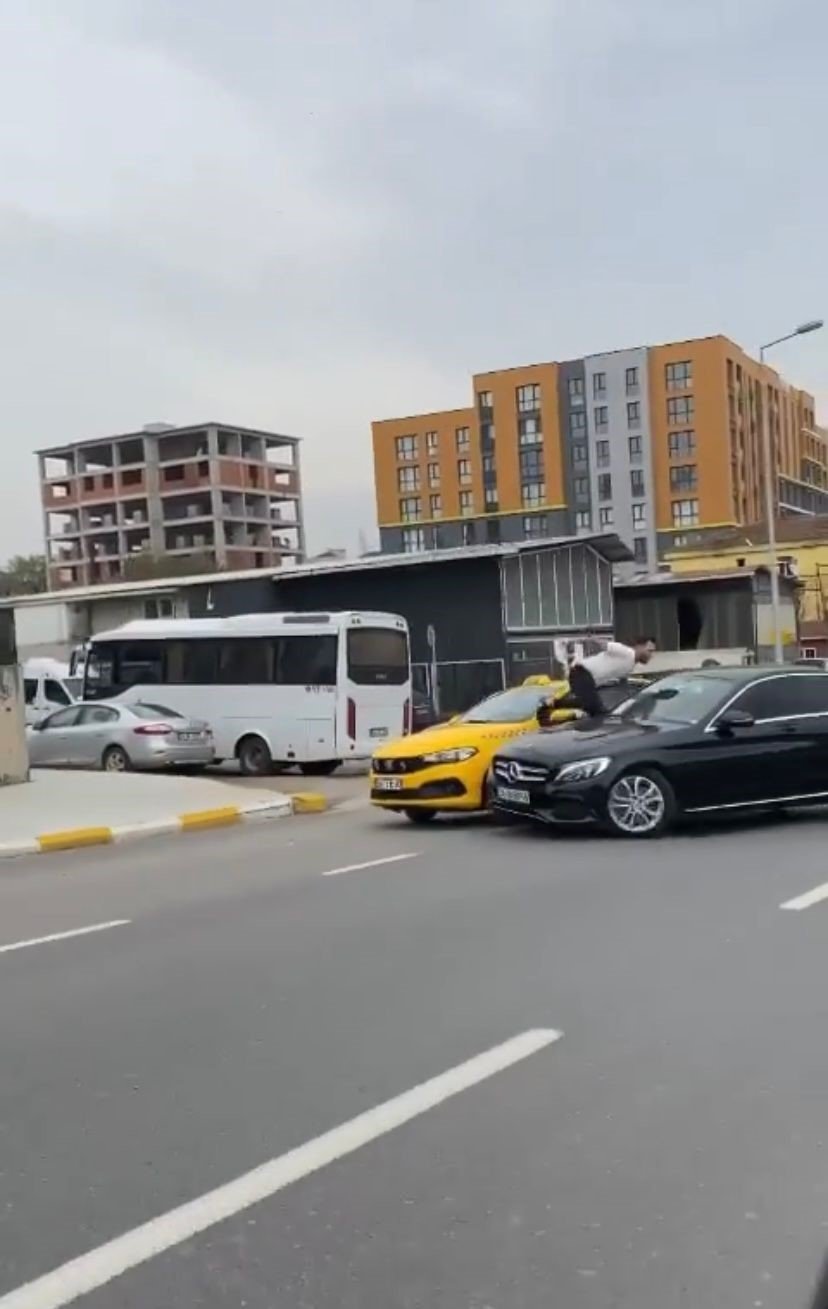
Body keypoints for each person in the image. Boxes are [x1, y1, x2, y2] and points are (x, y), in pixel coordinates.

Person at [568, 636, 656, 718]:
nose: (651, 655)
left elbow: (623, 685)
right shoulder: (626, 652)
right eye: (649, 651)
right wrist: (586, 641)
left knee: (589, 705)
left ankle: (559, 703)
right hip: (582, 673)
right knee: (598, 712)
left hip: (585, 679)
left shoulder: (630, 666)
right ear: (639, 646)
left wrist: (632, 701)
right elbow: (602, 644)